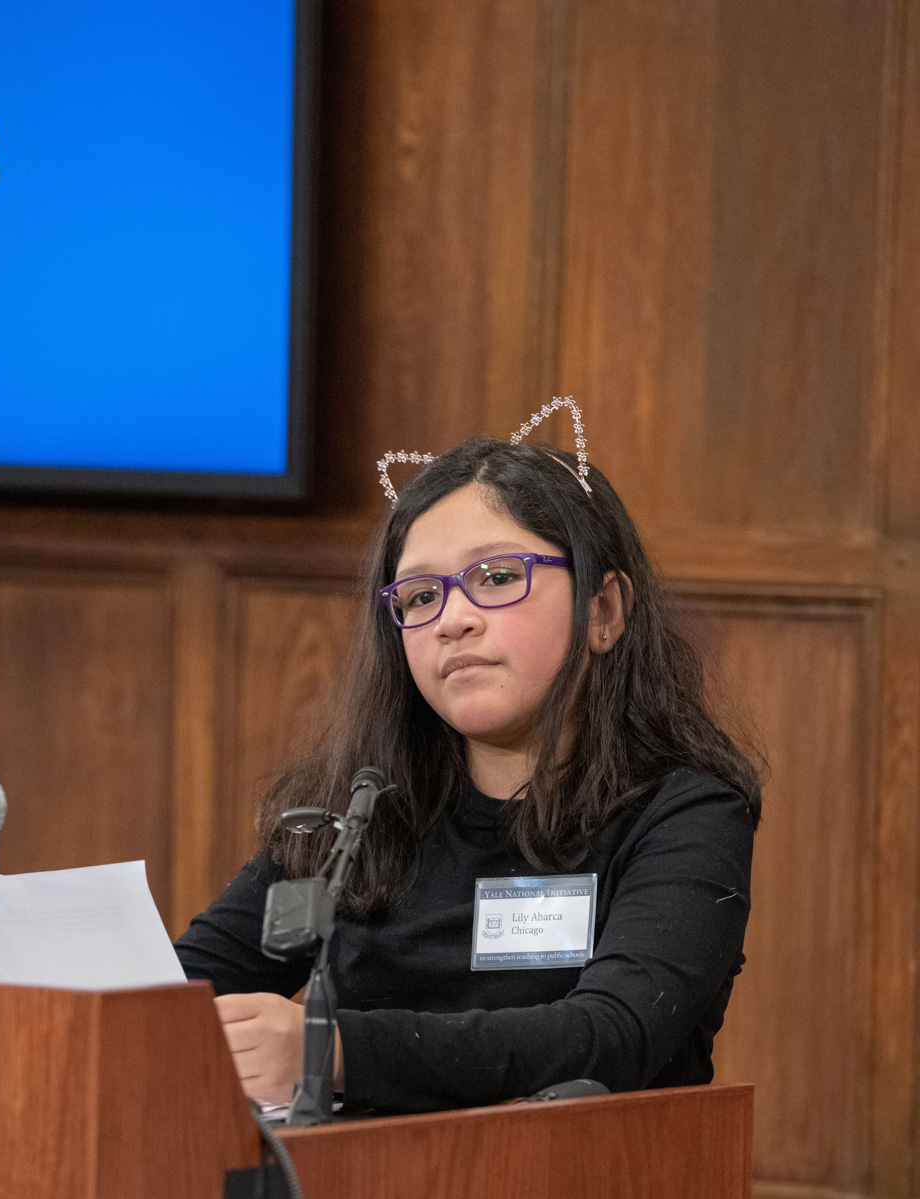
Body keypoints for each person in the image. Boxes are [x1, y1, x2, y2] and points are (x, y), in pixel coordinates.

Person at [175, 404, 761, 1113]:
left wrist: (332, 1051)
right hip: (357, 1196)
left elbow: (610, 1036)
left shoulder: (684, 810)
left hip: (584, 1198)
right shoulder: (357, 808)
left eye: (495, 577)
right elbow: (186, 985)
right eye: (421, 595)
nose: (453, 619)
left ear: (604, 611)